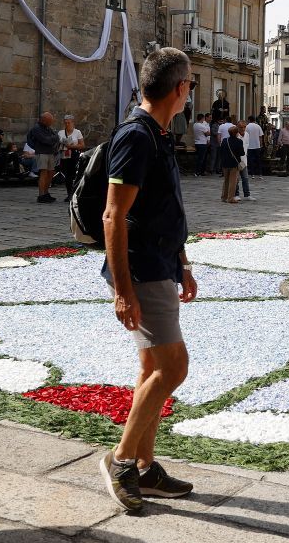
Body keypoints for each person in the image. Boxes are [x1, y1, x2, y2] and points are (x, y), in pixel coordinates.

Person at [99, 47, 196, 513]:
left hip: (161, 263)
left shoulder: (157, 134)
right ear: (179, 89)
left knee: (149, 370)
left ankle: (144, 466)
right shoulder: (136, 137)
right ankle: (120, 460)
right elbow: (113, 216)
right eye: (190, 85)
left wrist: (183, 261)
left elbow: (162, 209)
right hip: (142, 271)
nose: (189, 93)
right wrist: (123, 291)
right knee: (173, 368)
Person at [25, 113, 60, 203]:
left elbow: (56, 137)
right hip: (42, 153)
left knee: (51, 173)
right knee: (43, 173)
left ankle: (46, 192)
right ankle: (41, 195)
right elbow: (46, 140)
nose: (51, 123)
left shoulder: (47, 127)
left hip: (50, 153)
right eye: (49, 121)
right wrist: (54, 138)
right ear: (44, 120)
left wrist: (53, 138)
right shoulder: (37, 129)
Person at [58, 114, 86, 202]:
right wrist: (62, 145)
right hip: (64, 155)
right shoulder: (60, 133)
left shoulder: (77, 132)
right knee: (67, 177)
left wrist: (73, 146)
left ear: (73, 123)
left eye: (69, 123)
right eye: (65, 123)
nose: (67, 124)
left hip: (74, 155)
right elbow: (57, 145)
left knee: (74, 175)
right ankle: (69, 194)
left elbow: (82, 146)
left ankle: (75, 194)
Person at [220, 124, 244, 204]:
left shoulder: (224, 140)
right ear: (236, 133)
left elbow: (221, 150)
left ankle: (224, 196)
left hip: (225, 163)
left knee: (226, 180)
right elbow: (242, 153)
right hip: (234, 163)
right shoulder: (239, 141)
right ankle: (230, 198)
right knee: (233, 181)